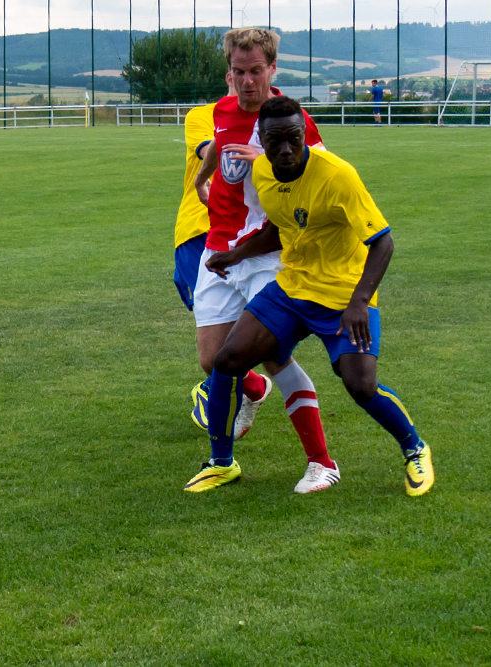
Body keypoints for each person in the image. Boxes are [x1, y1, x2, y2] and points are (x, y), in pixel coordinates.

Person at [198, 95, 435, 497]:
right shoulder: (262, 174)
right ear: (264, 140)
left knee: (359, 385)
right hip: (293, 287)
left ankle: (415, 449)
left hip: (344, 294)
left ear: (304, 134)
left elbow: (383, 242)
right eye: (276, 141)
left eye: (294, 138)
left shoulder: (337, 175)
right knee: (227, 360)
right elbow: (279, 224)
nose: (286, 149)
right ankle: (222, 463)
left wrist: (360, 301)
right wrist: (236, 254)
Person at [184, 28, 339, 495]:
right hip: (219, 250)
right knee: (212, 360)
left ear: (273, 69)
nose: (246, 82)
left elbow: (322, 179)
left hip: (267, 254)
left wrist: (265, 161)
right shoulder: (222, 109)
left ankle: (321, 463)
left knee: (273, 353)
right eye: (238, 72)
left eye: (256, 72)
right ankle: (252, 392)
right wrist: (202, 180)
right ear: (228, 72)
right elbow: (217, 144)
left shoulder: (292, 119)